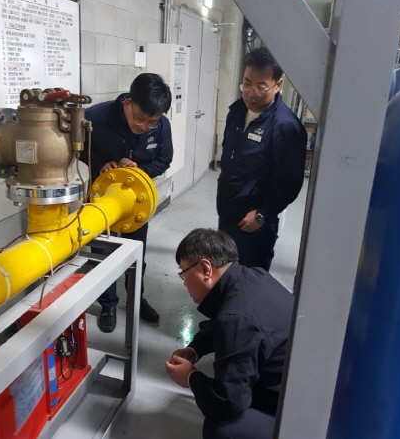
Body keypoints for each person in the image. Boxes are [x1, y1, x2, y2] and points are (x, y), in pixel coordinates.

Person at [166, 228, 293, 439]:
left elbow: (227, 402)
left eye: (183, 272)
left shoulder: (236, 320)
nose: (184, 282)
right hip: (297, 385)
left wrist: (190, 377)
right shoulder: (253, 276)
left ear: (205, 268)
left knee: (222, 429)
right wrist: (195, 349)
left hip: (293, 410)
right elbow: (219, 320)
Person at [82, 73, 173, 333]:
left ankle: (136, 299)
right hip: (102, 200)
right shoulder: (96, 117)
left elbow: (164, 160)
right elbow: (78, 149)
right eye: (139, 118)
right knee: (103, 254)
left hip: (136, 205)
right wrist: (101, 164)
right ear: (128, 103)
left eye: (151, 122)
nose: (144, 126)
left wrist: (139, 170)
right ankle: (108, 304)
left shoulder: (161, 126)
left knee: (136, 254)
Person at [217, 47, 307, 271]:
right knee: (225, 271)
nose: (251, 92)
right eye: (247, 83)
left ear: (278, 84)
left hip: (254, 223)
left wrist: (261, 215)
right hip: (227, 212)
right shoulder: (237, 112)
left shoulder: (286, 127)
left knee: (250, 276)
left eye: (260, 86)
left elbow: (290, 183)